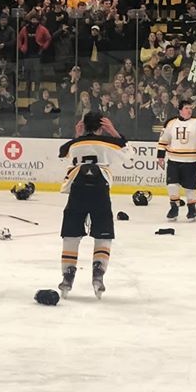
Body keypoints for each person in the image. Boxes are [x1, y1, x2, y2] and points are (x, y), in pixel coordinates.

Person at [57, 112, 128, 299]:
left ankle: (68, 274)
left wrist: (78, 136)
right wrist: (113, 131)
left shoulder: (74, 144)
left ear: (83, 125)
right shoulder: (108, 142)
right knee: (103, 233)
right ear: (101, 126)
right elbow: (127, 153)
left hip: (78, 189)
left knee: (71, 233)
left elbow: (62, 153)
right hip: (99, 190)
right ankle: (98, 272)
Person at [156, 100, 196, 222]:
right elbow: (163, 139)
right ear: (180, 110)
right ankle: (174, 208)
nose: (189, 110)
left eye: (190, 108)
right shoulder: (171, 123)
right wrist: (160, 156)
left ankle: (192, 209)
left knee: (190, 187)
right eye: (186, 108)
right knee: (172, 185)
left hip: (191, 161)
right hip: (173, 160)